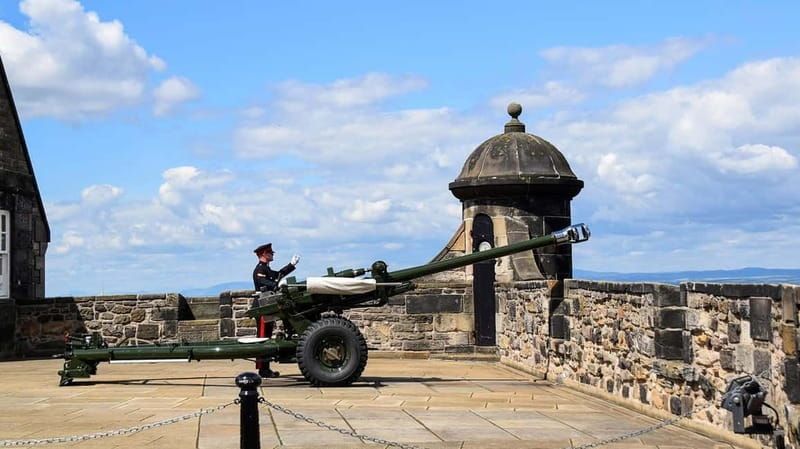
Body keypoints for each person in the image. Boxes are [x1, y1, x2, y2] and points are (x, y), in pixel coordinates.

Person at [251, 243, 300, 378]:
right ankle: (262, 369)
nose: (272, 254)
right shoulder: (259, 269)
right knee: (262, 337)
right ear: (263, 254)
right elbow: (266, 283)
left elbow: (278, 275)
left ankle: (265, 368)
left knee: (266, 336)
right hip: (262, 306)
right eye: (270, 253)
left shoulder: (266, 268)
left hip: (267, 304)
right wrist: (277, 284)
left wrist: (291, 265)